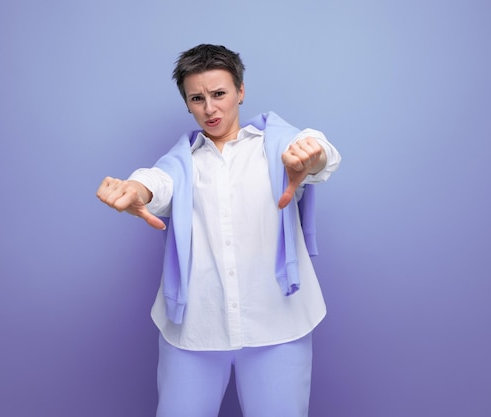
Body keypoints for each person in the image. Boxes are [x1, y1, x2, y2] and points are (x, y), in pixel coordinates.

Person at [96, 44, 341, 417]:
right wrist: (135, 190)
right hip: (194, 329)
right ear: (188, 104)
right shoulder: (181, 163)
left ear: (240, 91)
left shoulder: (277, 148)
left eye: (219, 94)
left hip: (278, 325)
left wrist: (310, 158)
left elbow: (317, 152)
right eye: (197, 98)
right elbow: (156, 183)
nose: (209, 108)